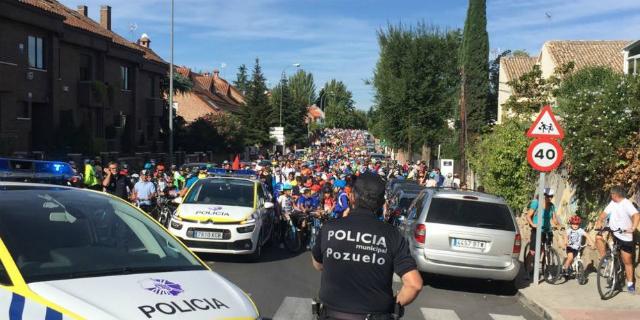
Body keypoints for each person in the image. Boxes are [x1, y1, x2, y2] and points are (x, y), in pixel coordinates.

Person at [311, 172, 423, 319]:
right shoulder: (392, 234)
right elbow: (414, 284)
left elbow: (318, 264)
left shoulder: (329, 228)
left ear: (352, 197)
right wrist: (393, 306)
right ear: (382, 203)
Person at [595, 186, 640, 294]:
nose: (610, 195)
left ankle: (630, 284)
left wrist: (633, 228)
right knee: (598, 237)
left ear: (616, 195)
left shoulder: (626, 203)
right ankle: (605, 259)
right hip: (613, 232)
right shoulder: (612, 203)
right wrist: (600, 220)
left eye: (611, 194)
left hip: (625, 235)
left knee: (627, 261)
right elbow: (604, 213)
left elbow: (636, 215)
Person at [525, 188, 560, 275]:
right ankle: (527, 270)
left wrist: (559, 226)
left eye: (551, 196)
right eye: (548, 196)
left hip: (547, 230)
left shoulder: (552, 206)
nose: (550, 198)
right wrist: (533, 224)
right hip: (537, 229)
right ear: (544, 195)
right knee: (533, 251)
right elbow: (528, 216)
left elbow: (554, 219)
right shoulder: (536, 203)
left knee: (546, 250)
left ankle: (545, 271)